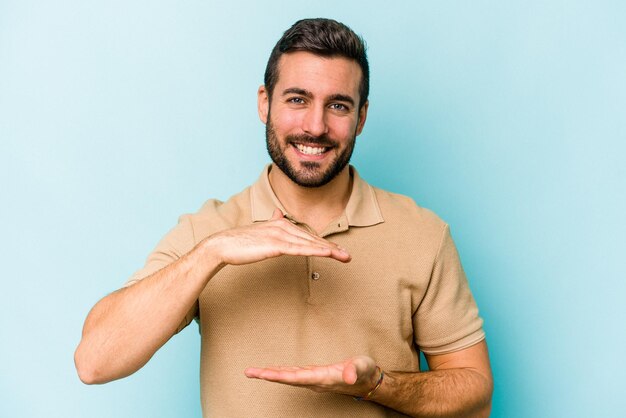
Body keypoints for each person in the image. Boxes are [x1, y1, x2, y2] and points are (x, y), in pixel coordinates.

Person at [75, 18, 493, 417]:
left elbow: (476, 399)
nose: (315, 126)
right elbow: (94, 362)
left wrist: (378, 385)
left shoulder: (422, 234)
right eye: (297, 99)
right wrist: (214, 252)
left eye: (339, 106)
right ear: (264, 103)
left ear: (361, 117)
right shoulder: (208, 231)